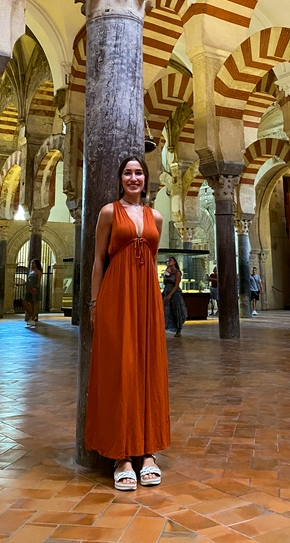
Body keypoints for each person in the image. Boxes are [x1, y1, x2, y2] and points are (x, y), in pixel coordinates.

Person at [86, 156, 167, 492]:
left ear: (146, 180)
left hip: (147, 300)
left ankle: (147, 453)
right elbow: (99, 261)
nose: (133, 178)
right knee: (120, 369)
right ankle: (121, 456)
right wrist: (94, 303)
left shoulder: (156, 217)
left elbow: (151, 258)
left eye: (138, 173)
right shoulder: (108, 213)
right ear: (120, 179)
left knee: (147, 369)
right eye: (127, 173)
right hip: (115, 299)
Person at [163, 256, 187, 337]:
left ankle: (178, 329)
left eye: (170, 260)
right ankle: (167, 326)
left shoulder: (177, 272)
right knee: (167, 311)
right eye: (167, 260)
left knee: (176, 311)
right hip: (167, 292)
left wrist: (170, 295)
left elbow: (176, 285)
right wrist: (166, 274)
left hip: (175, 294)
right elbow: (164, 283)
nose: (168, 261)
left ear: (174, 262)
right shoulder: (168, 272)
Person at [23, 259, 42, 328]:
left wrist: (36, 288)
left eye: (33, 263)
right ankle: (32, 316)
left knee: (34, 303)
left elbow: (38, 282)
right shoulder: (31, 272)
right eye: (31, 263)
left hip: (34, 289)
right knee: (24, 302)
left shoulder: (38, 272)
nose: (32, 264)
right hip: (29, 289)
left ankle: (33, 318)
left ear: (36, 264)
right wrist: (20, 284)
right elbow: (28, 281)